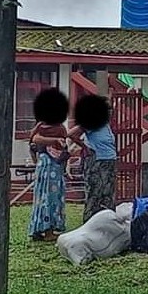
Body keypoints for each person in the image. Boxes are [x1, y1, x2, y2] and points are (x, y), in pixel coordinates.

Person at [27, 88, 70, 242]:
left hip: (50, 164)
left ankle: (39, 228)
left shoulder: (53, 126)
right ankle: (48, 230)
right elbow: (34, 139)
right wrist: (54, 141)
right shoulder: (43, 126)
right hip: (49, 165)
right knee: (48, 196)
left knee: (45, 195)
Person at [69, 94, 117, 223]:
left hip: (109, 160)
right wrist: (84, 146)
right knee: (95, 192)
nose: (109, 111)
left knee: (108, 193)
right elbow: (72, 134)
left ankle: (107, 222)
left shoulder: (106, 125)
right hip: (97, 161)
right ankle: (90, 221)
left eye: (110, 108)